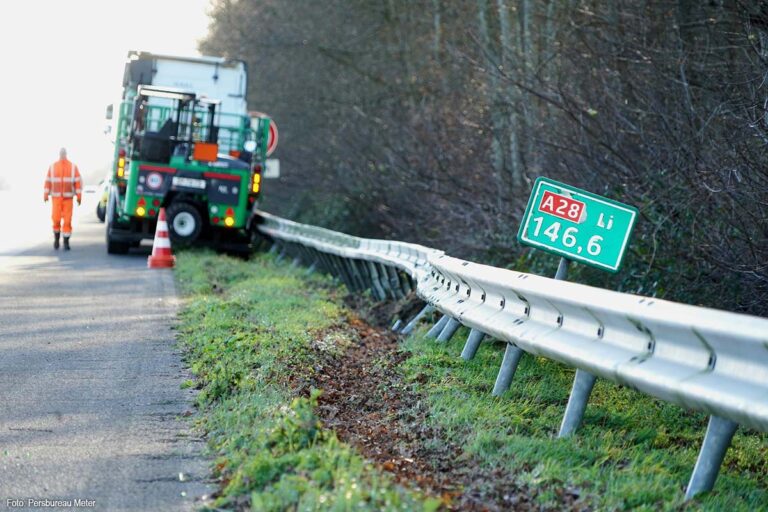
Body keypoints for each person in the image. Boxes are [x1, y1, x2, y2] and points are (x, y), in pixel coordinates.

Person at [44, 148, 82, 250]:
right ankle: (56, 239)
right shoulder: (53, 167)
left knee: (67, 221)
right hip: (56, 198)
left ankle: (66, 242)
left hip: (68, 199)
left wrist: (79, 197)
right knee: (56, 219)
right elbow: (48, 181)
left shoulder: (72, 167)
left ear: (66, 154)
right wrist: (45, 195)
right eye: (61, 153)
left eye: (63, 153)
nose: (62, 155)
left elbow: (78, 183)